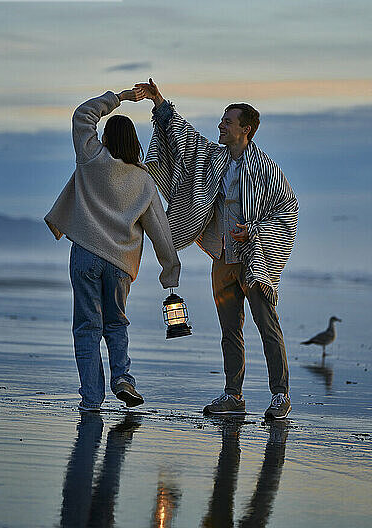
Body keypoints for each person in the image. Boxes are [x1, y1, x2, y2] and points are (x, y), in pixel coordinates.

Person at [135, 79, 298, 419]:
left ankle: (280, 396)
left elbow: (288, 208)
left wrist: (254, 231)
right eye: (222, 121)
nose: (220, 126)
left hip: (256, 261)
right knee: (229, 331)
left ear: (246, 129)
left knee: (268, 327)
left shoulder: (266, 169)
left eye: (227, 122)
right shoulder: (214, 157)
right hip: (223, 258)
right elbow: (186, 138)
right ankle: (233, 396)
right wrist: (159, 102)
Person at [44, 88, 181, 412]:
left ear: (105, 137)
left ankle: (92, 399)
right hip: (121, 263)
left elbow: (83, 115)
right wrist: (169, 268)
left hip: (87, 254)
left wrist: (120, 97)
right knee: (116, 323)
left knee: (88, 327)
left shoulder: (92, 158)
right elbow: (159, 227)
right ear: (134, 143)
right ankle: (123, 378)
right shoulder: (144, 180)